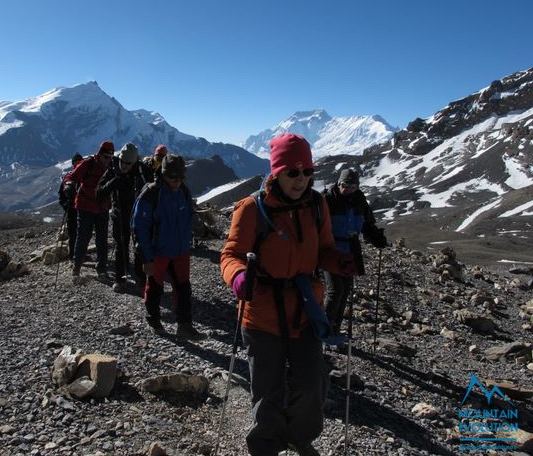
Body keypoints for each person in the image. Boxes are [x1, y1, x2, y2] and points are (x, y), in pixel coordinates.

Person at [220, 133, 357, 456]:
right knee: (267, 390)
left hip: (306, 310)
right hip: (261, 313)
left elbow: (323, 250)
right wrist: (238, 277)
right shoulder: (251, 209)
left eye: (307, 171)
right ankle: (266, 446)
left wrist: (339, 261)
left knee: (312, 383)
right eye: (293, 172)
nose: (301, 180)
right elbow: (230, 255)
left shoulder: (317, 205)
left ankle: (299, 436)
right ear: (276, 172)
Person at [132, 154, 205, 341]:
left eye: (181, 178)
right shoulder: (151, 194)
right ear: (163, 174)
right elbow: (139, 227)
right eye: (173, 177)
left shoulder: (184, 192)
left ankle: (184, 326)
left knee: (183, 288)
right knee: (155, 287)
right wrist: (146, 258)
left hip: (180, 251)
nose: (177, 182)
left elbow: (188, 218)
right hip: (158, 252)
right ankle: (154, 320)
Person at [323, 168, 387, 335]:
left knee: (345, 289)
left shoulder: (360, 201)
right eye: (346, 185)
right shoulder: (328, 200)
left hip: (350, 250)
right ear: (339, 183)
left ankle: (334, 330)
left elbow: (367, 225)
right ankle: (323, 330)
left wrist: (376, 237)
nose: (349, 189)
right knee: (335, 289)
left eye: (353, 186)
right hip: (330, 250)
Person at [96, 143, 146, 292]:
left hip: (137, 214)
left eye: (128, 163)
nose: (124, 165)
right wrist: (114, 182)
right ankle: (120, 278)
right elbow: (98, 194)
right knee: (120, 247)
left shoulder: (141, 170)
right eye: (122, 162)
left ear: (134, 162)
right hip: (119, 213)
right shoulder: (113, 169)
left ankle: (141, 278)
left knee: (139, 247)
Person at [67, 141, 114, 282]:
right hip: (86, 206)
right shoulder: (88, 163)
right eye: (106, 157)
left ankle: (102, 270)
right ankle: (76, 267)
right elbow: (71, 177)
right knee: (83, 237)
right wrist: (68, 186)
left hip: (102, 207)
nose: (108, 160)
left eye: (111, 157)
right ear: (99, 155)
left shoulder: (111, 166)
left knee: (102, 240)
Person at [59, 152, 83, 262]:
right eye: (76, 163)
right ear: (73, 164)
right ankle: (73, 255)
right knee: (74, 234)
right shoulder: (69, 177)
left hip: (82, 209)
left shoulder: (83, 176)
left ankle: (79, 255)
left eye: (80, 163)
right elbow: (61, 195)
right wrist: (66, 206)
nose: (78, 165)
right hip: (72, 210)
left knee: (82, 234)